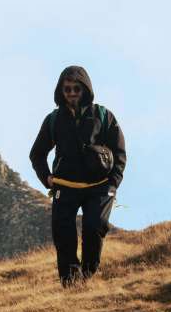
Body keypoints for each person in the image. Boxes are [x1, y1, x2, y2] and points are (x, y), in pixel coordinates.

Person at [29, 65, 127, 287]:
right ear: (61, 91)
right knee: (63, 233)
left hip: (100, 187)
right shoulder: (53, 120)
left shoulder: (104, 116)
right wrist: (47, 178)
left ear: (85, 90)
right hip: (65, 186)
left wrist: (113, 183)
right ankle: (71, 283)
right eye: (67, 89)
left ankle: (88, 274)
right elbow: (37, 154)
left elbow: (119, 151)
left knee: (95, 226)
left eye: (76, 89)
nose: (72, 93)